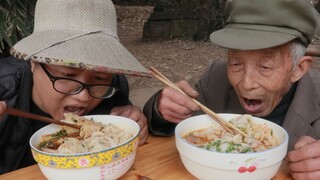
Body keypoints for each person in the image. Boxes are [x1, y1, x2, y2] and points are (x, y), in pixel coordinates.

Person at [144, 0, 320, 179]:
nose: (246, 83)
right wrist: (161, 109)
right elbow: (179, 129)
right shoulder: (216, 79)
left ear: (298, 69)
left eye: (265, 67)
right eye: (236, 63)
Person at [0, 0, 149, 174]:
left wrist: (142, 118)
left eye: (99, 76)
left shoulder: (110, 87)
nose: (84, 97)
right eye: (68, 75)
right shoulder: (4, 88)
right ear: (33, 62)